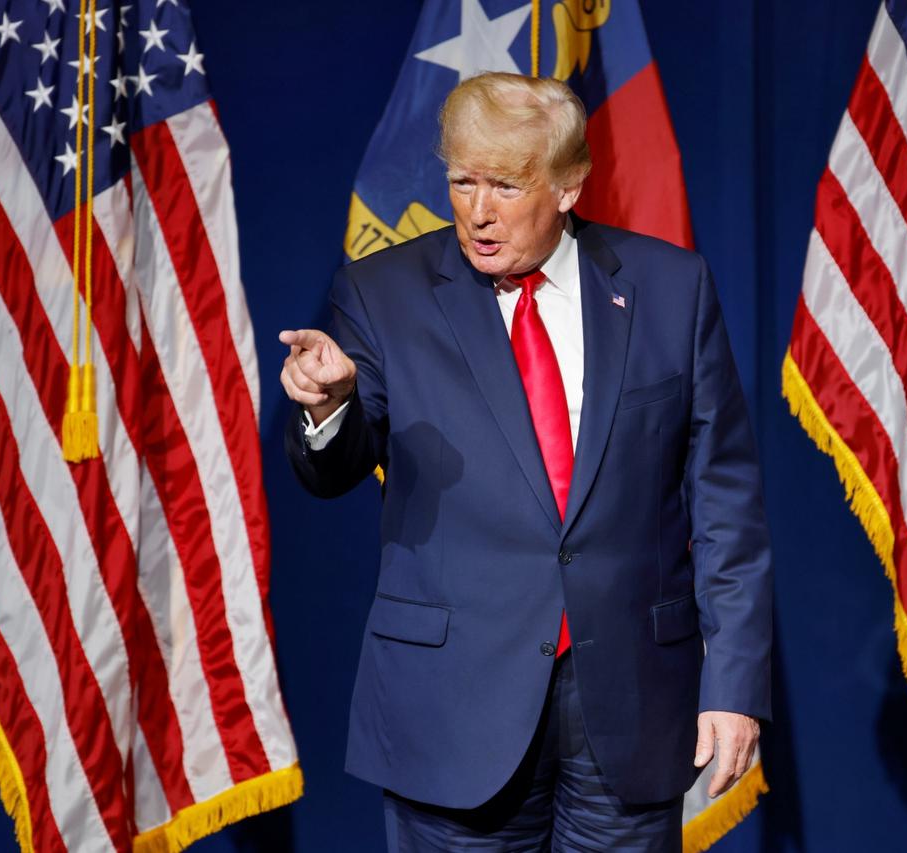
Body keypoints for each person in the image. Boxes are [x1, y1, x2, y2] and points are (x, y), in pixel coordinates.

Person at [280, 72, 772, 851]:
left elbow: (725, 504)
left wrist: (735, 683)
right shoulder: (383, 293)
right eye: (462, 181)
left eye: (505, 186)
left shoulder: (671, 288)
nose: (478, 210)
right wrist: (328, 405)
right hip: (455, 707)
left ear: (569, 185)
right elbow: (333, 470)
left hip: (631, 703)